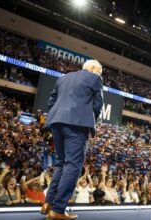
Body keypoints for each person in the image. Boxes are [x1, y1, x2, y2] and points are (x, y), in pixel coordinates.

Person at [41, 60, 103, 220]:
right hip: (77, 125)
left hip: (56, 122)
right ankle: (58, 209)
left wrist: (57, 115)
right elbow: (98, 104)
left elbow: (51, 100)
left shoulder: (63, 78)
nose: (100, 75)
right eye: (100, 72)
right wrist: (91, 121)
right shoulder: (95, 78)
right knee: (73, 166)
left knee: (62, 163)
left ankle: (48, 203)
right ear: (93, 69)